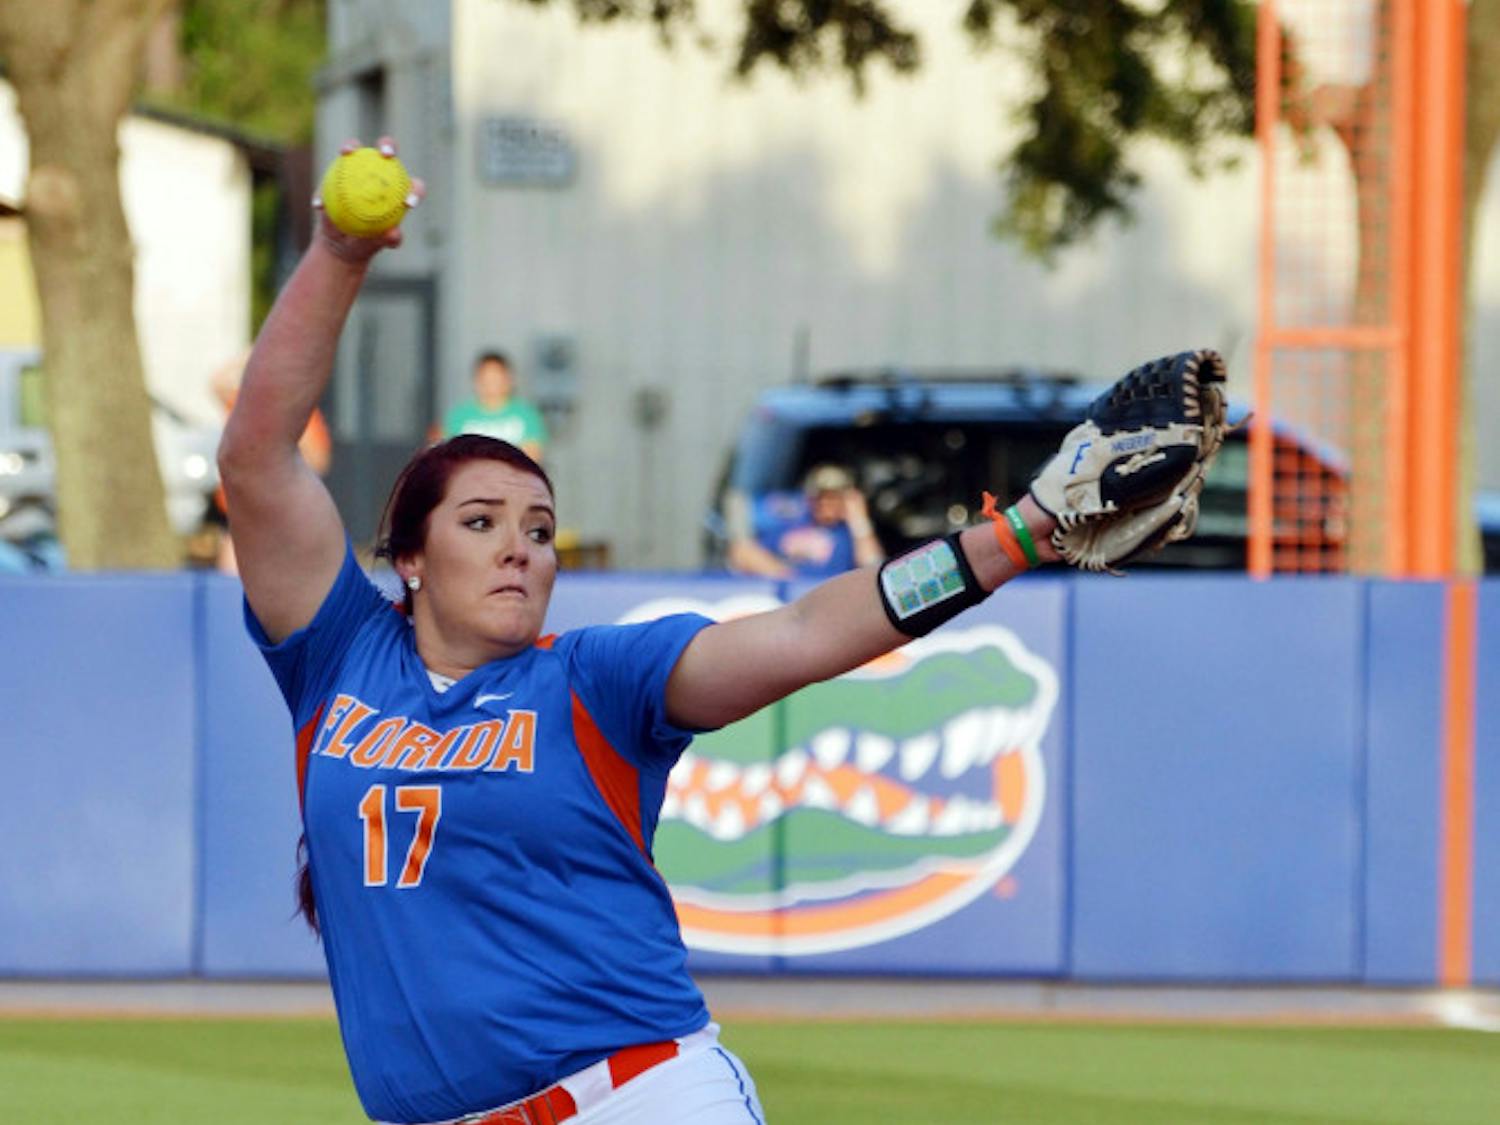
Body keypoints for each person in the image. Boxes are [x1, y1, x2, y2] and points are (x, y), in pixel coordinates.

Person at [218, 137, 1062, 1125]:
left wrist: (1004, 542)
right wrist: (339, 253)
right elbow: (256, 457)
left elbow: (800, 633)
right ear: (409, 558)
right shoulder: (339, 657)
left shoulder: (593, 680)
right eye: (480, 523)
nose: (519, 549)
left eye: (538, 529)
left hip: (640, 1098)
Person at [209, 346, 332, 574]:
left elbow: (319, 462)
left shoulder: (303, 414)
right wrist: (255, 353)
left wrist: (294, 428)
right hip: (240, 506)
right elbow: (218, 382)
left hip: (277, 510)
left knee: (279, 574)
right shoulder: (243, 403)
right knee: (232, 577)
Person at [725, 463, 883, 579]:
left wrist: (859, 520)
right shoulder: (796, 511)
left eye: (834, 498)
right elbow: (741, 546)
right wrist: (788, 580)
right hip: (772, 587)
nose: (826, 504)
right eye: (821, 497)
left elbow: (873, 567)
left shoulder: (849, 534)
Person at [442, 348, 549, 462]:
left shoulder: (527, 414)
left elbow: (531, 456)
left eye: (496, 378)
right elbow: (449, 457)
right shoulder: (459, 415)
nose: (491, 384)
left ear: (509, 379)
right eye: (486, 378)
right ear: (476, 380)